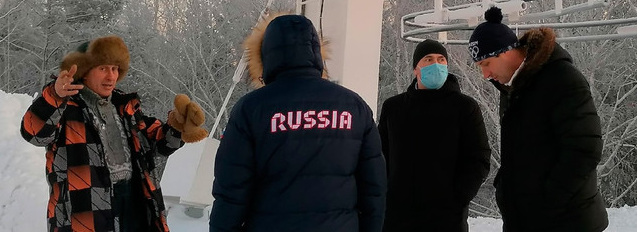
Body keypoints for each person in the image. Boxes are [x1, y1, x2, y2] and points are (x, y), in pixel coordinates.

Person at [210, 13, 387, 232]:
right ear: (316, 53)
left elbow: (231, 192)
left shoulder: (251, 109)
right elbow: (374, 189)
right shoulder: (354, 106)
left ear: (264, 56)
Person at [21, 35, 207, 232]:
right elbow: (33, 133)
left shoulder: (125, 106)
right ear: (84, 71)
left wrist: (177, 125)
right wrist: (55, 96)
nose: (111, 76)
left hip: (133, 202)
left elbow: (156, 143)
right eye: (102, 69)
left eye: (115, 69)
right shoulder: (65, 108)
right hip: (84, 211)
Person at [468, 7, 608, 232]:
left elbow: (585, 149)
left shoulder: (562, 79)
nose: (485, 75)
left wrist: (547, 202)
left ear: (505, 51)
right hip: (528, 219)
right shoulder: (512, 88)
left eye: (486, 64)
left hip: (565, 221)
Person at [377, 39, 491, 232]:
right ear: (416, 69)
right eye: (428, 59)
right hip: (397, 217)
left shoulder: (465, 108)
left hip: (446, 219)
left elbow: (478, 158)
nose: (436, 64)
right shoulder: (394, 107)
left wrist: (458, 197)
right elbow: (380, 156)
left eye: (441, 60)